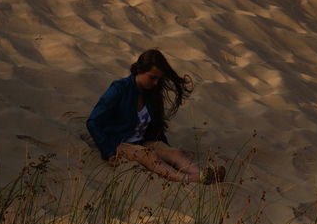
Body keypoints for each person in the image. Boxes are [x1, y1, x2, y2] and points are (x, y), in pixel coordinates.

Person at [86, 49, 225, 184]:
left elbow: (156, 129)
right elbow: (93, 122)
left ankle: (204, 174)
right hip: (119, 143)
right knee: (148, 156)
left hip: (144, 142)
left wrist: (166, 150)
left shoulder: (152, 93)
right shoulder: (119, 89)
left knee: (175, 153)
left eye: (159, 79)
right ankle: (190, 179)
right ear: (140, 70)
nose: (156, 83)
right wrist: (108, 152)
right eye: (152, 77)